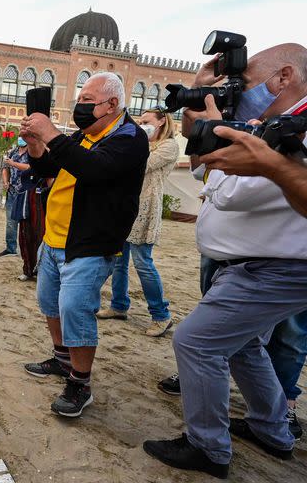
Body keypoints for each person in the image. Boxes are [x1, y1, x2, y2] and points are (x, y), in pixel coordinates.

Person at [143, 43, 307, 479]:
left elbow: (229, 193)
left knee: (196, 342)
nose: (238, 92)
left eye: (246, 84)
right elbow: (202, 168)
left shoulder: (296, 129)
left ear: (284, 77)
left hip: (274, 268)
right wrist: (202, 109)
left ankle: (209, 448)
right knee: (244, 346)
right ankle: (272, 429)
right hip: (256, 265)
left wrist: (222, 135)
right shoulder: (268, 124)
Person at [20, 71, 148, 417]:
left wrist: (52, 133)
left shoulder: (130, 137)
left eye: (86, 101)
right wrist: (35, 141)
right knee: (51, 303)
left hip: (90, 243)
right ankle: (63, 361)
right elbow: (48, 165)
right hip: (55, 237)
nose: (79, 107)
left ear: (112, 104)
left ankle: (80, 383)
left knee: (76, 309)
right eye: (78, 100)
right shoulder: (83, 135)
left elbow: (94, 170)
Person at [97, 108, 179, 336]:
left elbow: (142, 165)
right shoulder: (141, 143)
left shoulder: (169, 146)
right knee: (119, 262)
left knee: (143, 262)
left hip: (146, 210)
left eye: (147, 121)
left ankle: (161, 315)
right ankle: (119, 306)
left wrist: (133, 143)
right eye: (140, 121)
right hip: (126, 206)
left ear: (162, 121)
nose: (142, 125)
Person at [0, 139, 30, 256]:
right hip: (12, 191)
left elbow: (30, 167)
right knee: (11, 222)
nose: (21, 139)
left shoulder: (33, 152)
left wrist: (14, 164)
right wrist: (5, 181)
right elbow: (5, 168)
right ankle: (11, 248)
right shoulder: (13, 152)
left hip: (26, 192)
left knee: (26, 222)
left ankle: (27, 251)